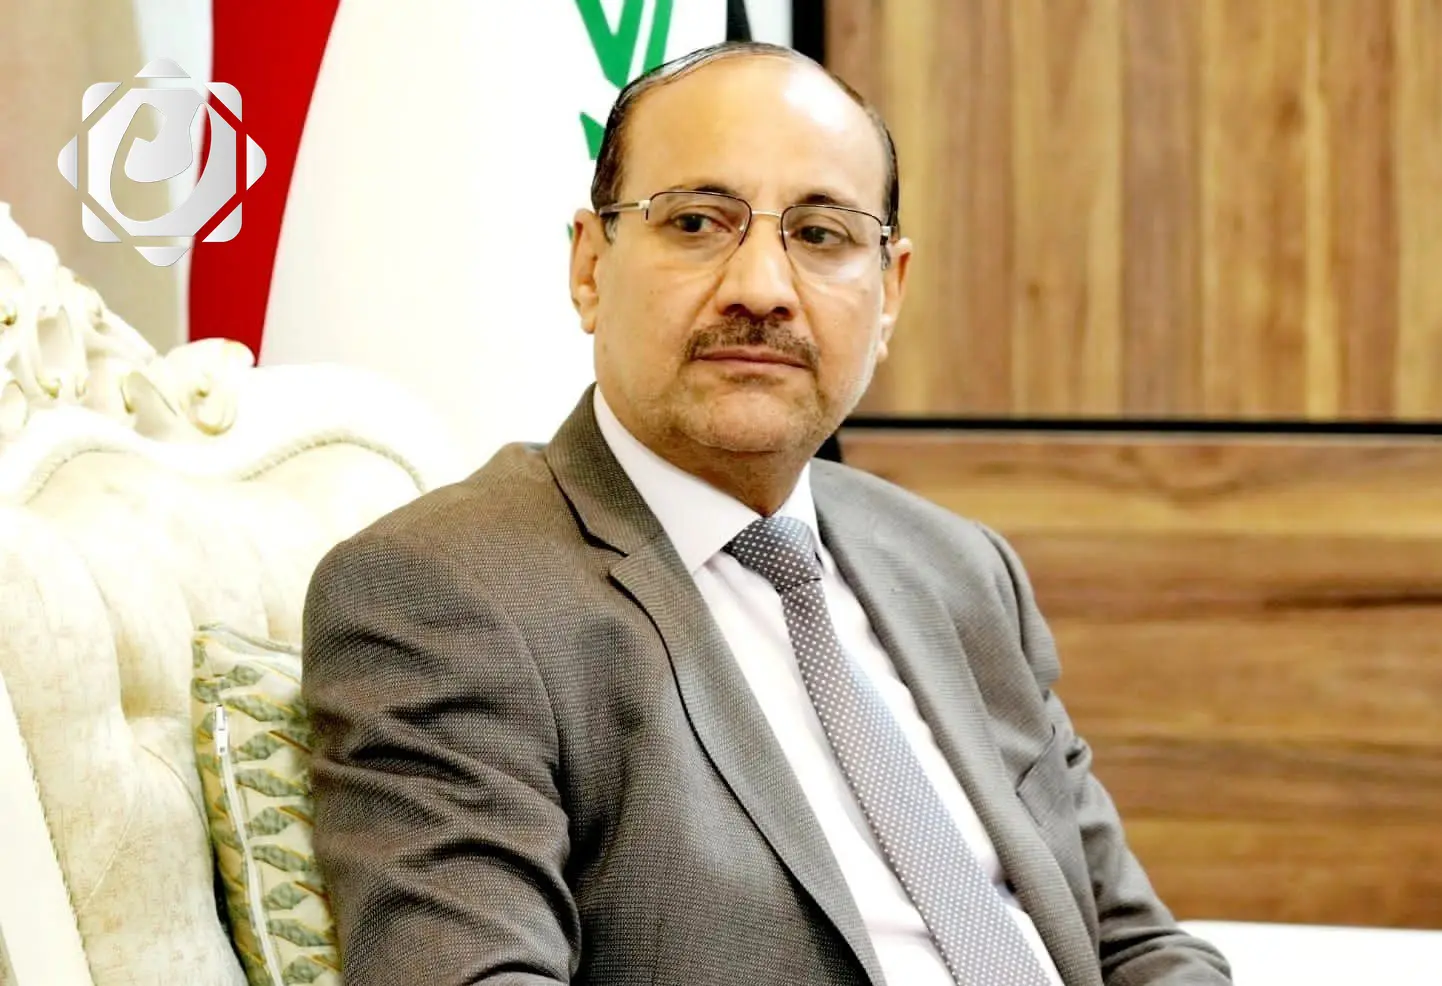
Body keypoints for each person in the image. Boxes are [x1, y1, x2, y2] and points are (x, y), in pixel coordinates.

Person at [301, 41, 1233, 986]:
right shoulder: (441, 593)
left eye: (821, 235)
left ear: (889, 293)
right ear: (590, 267)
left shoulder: (958, 569)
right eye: (697, 222)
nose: (762, 289)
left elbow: (1134, 946)